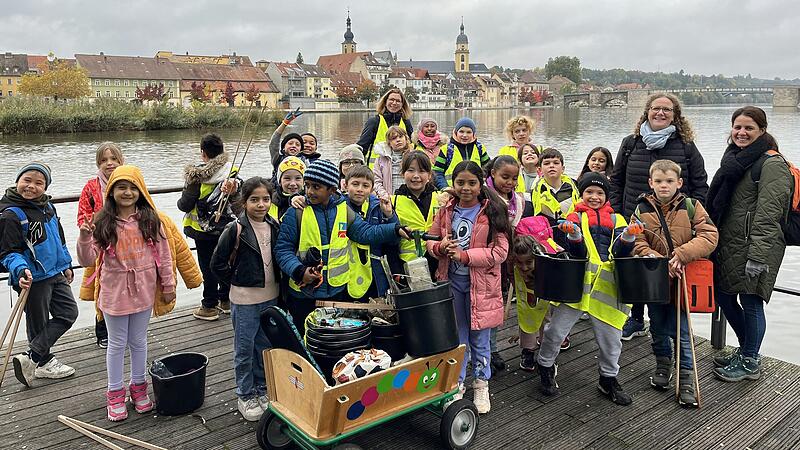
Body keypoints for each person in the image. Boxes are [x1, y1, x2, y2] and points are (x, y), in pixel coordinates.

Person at [76, 165, 175, 421]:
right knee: (117, 343)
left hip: (144, 289)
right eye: (121, 187)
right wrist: (84, 237)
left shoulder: (151, 220)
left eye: (133, 187)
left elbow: (164, 256)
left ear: (141, 191)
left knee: (139, 341)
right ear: (111, 191)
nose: (127, 192)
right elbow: (87, 260)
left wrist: (168, 285)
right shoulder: (102, 222)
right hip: (114, 291)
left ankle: (139, 388)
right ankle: (115, 393)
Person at [609, 93, 709, 340]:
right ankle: (635, 319)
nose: (660, 113)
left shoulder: (685, 146)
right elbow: (617, 180)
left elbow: (699, 184)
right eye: (656, 108)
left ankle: (671, 330)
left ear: (675, 115)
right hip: (634, 217)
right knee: (637, 267)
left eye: (667, 109)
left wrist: (692, 215)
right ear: (647, 111)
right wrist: (617, 213)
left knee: (667, 272)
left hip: (674, 221)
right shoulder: (631, 143)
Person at [536, 172, 638, 406]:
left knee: (612, 340)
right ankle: (545, 366)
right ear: (581, 194)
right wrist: (573, 235)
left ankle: (608, 379)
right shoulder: (573, 217)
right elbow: (576, 253)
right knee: (555, 332)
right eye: (589, 192)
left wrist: (629, 238)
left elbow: (621, 253)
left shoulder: (618, 220)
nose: (594, 197)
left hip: (607, 290)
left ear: (606, 196)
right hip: (576, 287)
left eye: (600, 193)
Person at [275, 159, 409, 334]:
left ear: (332, 189)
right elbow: (283, 250)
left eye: (316, 187)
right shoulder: (296, 212)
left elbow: (365, 232)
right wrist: (299, 271)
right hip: (303, 294)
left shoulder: (343, 210)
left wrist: (395, 229)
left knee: (335, 338)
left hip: (337, 292)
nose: (309, 191)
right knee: (305, 337)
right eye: (307, 185)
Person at [706, 106, 791, 382]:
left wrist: (758, 255)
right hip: (731, 243)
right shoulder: (735, 159)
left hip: (757, 246)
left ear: (762, 131)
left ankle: (750, 360)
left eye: (749, 128)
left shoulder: (772, 164)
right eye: (737, 127)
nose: (741, 133)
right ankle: (746, 350)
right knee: (724, 296)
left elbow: (769, 214)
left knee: (751, 301)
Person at [426, 161, 510, 414]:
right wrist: (440, 247)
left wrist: (465, 256)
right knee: (458, 336)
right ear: (453, 183)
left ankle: (481, 383)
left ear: (480, 184)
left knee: (480, 338)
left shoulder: (492, 212)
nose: (465, 188)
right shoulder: (446, 210)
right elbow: (431, 240)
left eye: (472, 183)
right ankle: (457, 383)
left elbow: (500, 252)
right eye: (460, 182)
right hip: (452, 283)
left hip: (482, 287)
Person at [632, 159, 718, 406]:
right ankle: (663, 364)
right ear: (650, 182)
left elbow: (710, 236)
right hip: (655, 280)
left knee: (682, 331)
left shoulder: (692, 206)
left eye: (669, 181)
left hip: (683, 279)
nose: (664, 185)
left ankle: (687, 376)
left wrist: (681, 255)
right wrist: (659, 261)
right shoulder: (641, 209)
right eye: (659, 181)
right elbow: (636, 241)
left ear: (679, 183)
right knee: (657, 326)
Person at [211, 177, 281, 421]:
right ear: (244, 202)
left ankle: (262, 388)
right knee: (244, 348)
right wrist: (237, 280)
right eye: (254, 200)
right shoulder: (235, 229)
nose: (261, 205)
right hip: (244, 300)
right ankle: (245, 393)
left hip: (271, 297)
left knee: (264, 346)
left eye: (266, 199)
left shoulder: (274, 225)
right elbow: (217, 263)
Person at [1, 163, 78, 388]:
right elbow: (8, 252)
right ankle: (43, 362)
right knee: (38, 321)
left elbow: (59, 238)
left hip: (55, 272)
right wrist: (20, 270)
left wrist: (66, 264)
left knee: (68, 312)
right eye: (27, 180)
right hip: (31, 277)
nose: (31, 186)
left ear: (45, 187)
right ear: (17, 180)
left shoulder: (48, 207)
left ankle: (32, 357)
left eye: (38, 183)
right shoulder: (10, 214)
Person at [178, 133, 236, 321]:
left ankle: (209, 306)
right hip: (227, 229)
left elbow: (185, 204)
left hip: (202, 232)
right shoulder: (232, 171)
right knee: (225, 262)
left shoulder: (197, 176)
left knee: (208, 267)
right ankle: (226, 300)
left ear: (203, 153)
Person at [77, 142, 125, 348]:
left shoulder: (129, 182)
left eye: (114, 159)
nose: (109, 163)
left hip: (128, 245)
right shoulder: (91, 187)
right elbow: (83, 216)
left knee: (127, 287)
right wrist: (92, 227)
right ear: (98, 163)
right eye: (104, 160)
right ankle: (103, 331)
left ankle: (125, 330)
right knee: (103, 289)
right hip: (101, 245)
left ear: (121, 161)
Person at [485, 155, 526, 371]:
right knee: (484, 305)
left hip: (505, 261)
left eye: (514, 178)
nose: (509, 182)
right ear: (493, 173)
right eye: (505, 177)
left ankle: (492, 349)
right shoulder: (483, 195)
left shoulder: (518, 201)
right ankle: (482, 350)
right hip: (485, 258)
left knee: (498, 304)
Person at [341, 165, 395, 298]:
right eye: (355, 184)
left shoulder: (379, 207)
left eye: (365, 185)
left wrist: (389, 215)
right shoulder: (338, 206)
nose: (360, 189)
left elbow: (393, 241)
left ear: (371, 189)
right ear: (345, 185)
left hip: (375, 272)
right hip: (346, 271)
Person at [391, 151, 440, 280]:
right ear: (403, 173)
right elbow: (390, 242)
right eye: (411, 170)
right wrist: (396, 271)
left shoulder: (441, 199)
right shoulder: (393, 202)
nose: (416, 176)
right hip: (406, 266)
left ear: (429, 175)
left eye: (422, 171)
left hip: (437, 264)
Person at [531, 148, 580, 242]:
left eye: (556, 163)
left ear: (563, 169)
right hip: (547, 237)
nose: (551, 166)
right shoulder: (536, 191)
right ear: (540, 170)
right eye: (547, 163)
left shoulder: (573, 188)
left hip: (570, 235)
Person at [357, 88, 414, 167]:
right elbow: (362, 147)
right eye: (391, 99)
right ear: (385, 102)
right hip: (376, 170)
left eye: (398, 101)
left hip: (399, 169)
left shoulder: (405, 122)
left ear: (402, 104)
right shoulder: (374, 122)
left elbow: (412, 145)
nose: (394, 103)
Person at [433, 118, 490, 189]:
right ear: (456, 132)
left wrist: (482, 179)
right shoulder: (447, 150)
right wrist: (444, 187)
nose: (465, 135)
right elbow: (437, 172)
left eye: (469, 132)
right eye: (461, 131)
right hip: (452, 191)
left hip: (475, 191)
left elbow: (488, 167)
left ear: (473, 134)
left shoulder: (480, 148)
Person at [498, 115, 544, 193]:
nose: (521, 134)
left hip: (537, 188)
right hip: (513, 189)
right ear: (512, 134)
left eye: (524, 130)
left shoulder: (539, 149)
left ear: (529, 131)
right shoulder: (504, 151)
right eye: (517, 131)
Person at [373, 125, 414, 200]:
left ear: (406, 138)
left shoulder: (414, 157)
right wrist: (385, 195)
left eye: (400, 137)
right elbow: (376, 181)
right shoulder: (380, 160)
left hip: (410, 198)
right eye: (394, 138)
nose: (398, 140)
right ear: (389, 143)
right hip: (389, 198)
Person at [272, 156, 306, 221]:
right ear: (280, 181)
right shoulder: (271, 201)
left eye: (298, 178)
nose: (293, 183)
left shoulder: (309, 201)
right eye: (287, 178)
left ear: (304, 181)